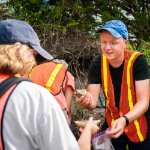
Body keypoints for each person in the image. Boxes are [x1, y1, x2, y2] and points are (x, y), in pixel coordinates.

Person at [0, 19, 99, 150]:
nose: (34, 62)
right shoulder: (33, 96)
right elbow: (68, 105)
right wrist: (88, 131)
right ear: (18, 49)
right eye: (33, 53)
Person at [76, 20, 150, 150]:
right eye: (103, 42)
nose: (107, 47)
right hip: (113, 122)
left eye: (113, 42)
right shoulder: (97, 63)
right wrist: (85, 101)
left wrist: (125, 120)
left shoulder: (138, 62)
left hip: (138, 121)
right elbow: (92, 102)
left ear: (125, 43)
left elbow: (144, 102)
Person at [29, 59, 75, 125]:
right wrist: (69, 117)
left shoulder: (35, 70)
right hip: (57, 110)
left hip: (35, 110)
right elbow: (68, 101)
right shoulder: (66, 73)